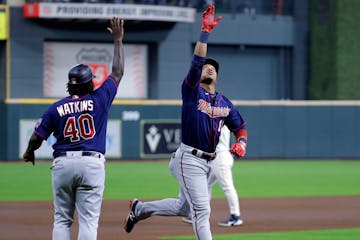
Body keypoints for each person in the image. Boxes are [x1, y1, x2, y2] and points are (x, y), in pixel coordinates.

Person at [124, 4, 248, 240]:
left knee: (184, 207)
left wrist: (241, 142)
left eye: (213, 68)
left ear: (217, 76)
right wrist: (205, 32)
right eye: (206, 67)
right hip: (189, 158)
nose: (209, 68)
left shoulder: (225, 103)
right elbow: (197, 61)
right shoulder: (191, 91)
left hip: (210, 163)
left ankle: (139, 209)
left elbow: (240, 127)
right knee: (202, 210)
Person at [22, 17, 125, 240]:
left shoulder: (55, 108)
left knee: (62, 219)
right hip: (91, 163)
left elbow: (36, 137)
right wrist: (117, 40)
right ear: (91, 84)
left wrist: (29, 152)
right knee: (88, 221)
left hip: (63, 164)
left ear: (70, 85)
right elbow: (117, 72)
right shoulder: (100, 98)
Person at [182, 125, 243, 227]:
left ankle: (235, 216)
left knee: (227, 187)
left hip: (220, 158)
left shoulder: (217, 121)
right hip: (219, 157)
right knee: (206, 185)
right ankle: (201, 214)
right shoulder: (221, 119)